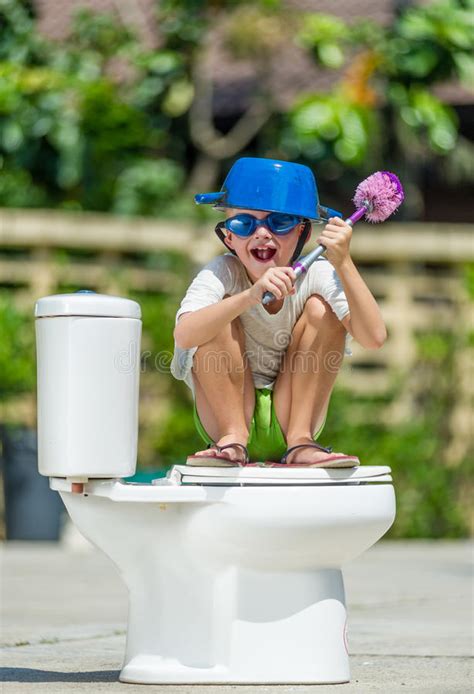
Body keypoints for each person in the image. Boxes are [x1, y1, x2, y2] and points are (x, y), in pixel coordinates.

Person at [170, 157, 386, 467]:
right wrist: (249, 296)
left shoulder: (318, 274)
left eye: (279, 223)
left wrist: (345, 264)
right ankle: (232, 438)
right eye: (244, 223)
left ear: (303, 233)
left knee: (321, 308)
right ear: (228, 236)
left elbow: (375, 337)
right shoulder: (222, 272)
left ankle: (300, 441)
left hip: (294, 414)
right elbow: (185, 333)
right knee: (214, 314)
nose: (261, 233)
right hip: (223, 417)